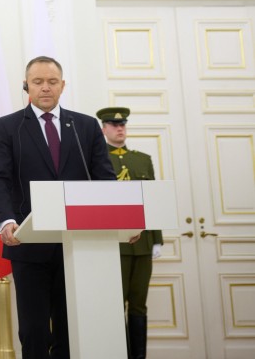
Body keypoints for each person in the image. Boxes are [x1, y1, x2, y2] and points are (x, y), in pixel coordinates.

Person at [0, 56, 116, 359]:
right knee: (34, 331)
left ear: (62, 85)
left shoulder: (85, 126)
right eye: (38, 82)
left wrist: (121, 221)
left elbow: (105, 179)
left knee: (70, 330)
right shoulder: (8, 127)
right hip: (28, 242)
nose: (45, 87)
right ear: (26, 86)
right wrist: (5, 220)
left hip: (78, 246)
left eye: (52, 81)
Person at [99, 106, 162, 359]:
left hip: (143, 243)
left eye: (123, 124)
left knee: (138, 304)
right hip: (113, 243)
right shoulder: (97, 159)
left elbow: (152, 201)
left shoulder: (142, 159)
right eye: (114, 125)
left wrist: (157, 239)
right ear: (103, 129)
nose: (120, 128)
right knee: (114, 305)